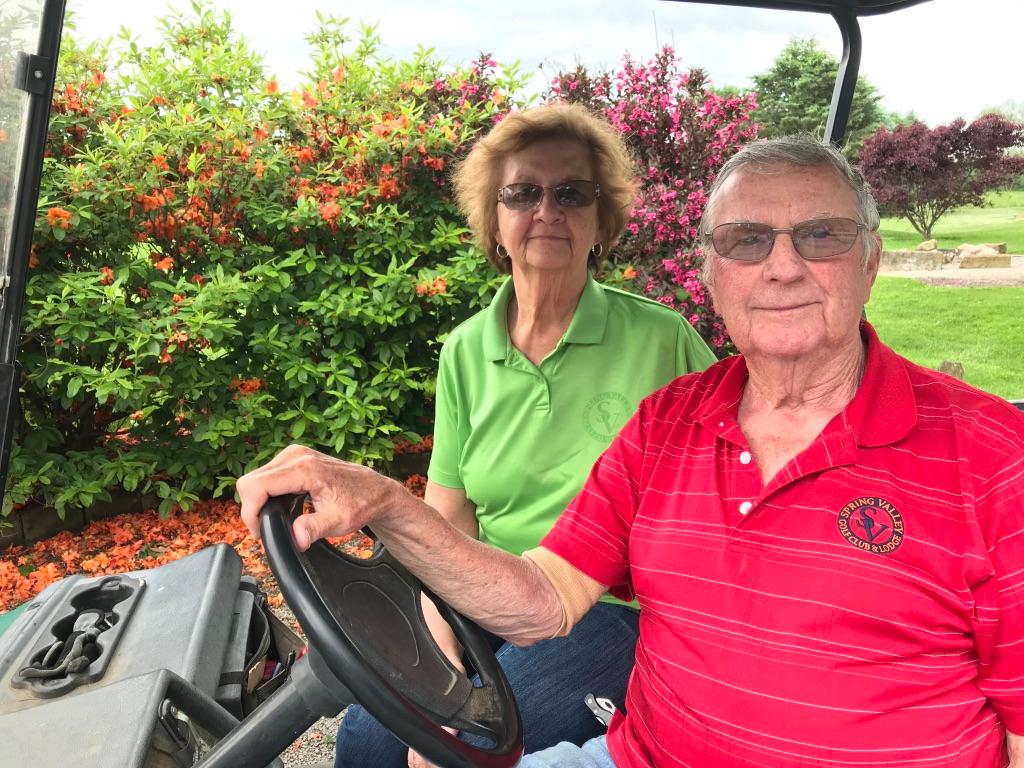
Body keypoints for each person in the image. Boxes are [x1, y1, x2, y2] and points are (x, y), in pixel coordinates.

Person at [238, 134, 1024, 768]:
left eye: (821, 235)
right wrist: (386, 504)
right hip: (638, 752)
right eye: (747, 241)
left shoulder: (994, 456)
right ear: (713, 272)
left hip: (616, 633)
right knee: (372, 736)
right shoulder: (668, 421)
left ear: (871, 260)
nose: (783, 266)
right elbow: (543, 597)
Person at [331, 103, 716, 767]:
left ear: (601, 219)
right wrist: (440, 638)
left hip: (610, 608)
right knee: (367, 736)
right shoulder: (465, 351)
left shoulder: (662, 339)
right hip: (488, 588)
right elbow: (449, 516)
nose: (547, 210)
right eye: (522, 193)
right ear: (494, 219)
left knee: (476, 746)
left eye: (572, 193)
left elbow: (742, 465)